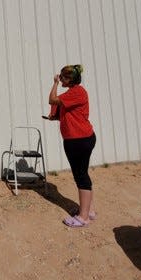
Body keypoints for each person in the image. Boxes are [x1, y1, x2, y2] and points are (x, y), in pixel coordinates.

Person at [47, 65, 96, 227]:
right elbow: (70, 114)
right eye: (60, 77)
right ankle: (88, 210)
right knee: (82, 175)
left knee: (81, 176)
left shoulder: (77, 92)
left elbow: (52, 99)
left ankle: (83, 217)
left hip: (79, 140)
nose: (60, 79)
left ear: (71, 79)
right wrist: (55, 117)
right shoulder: (72, 94)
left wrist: (54, 83)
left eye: (63, 77)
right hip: (78, 139)